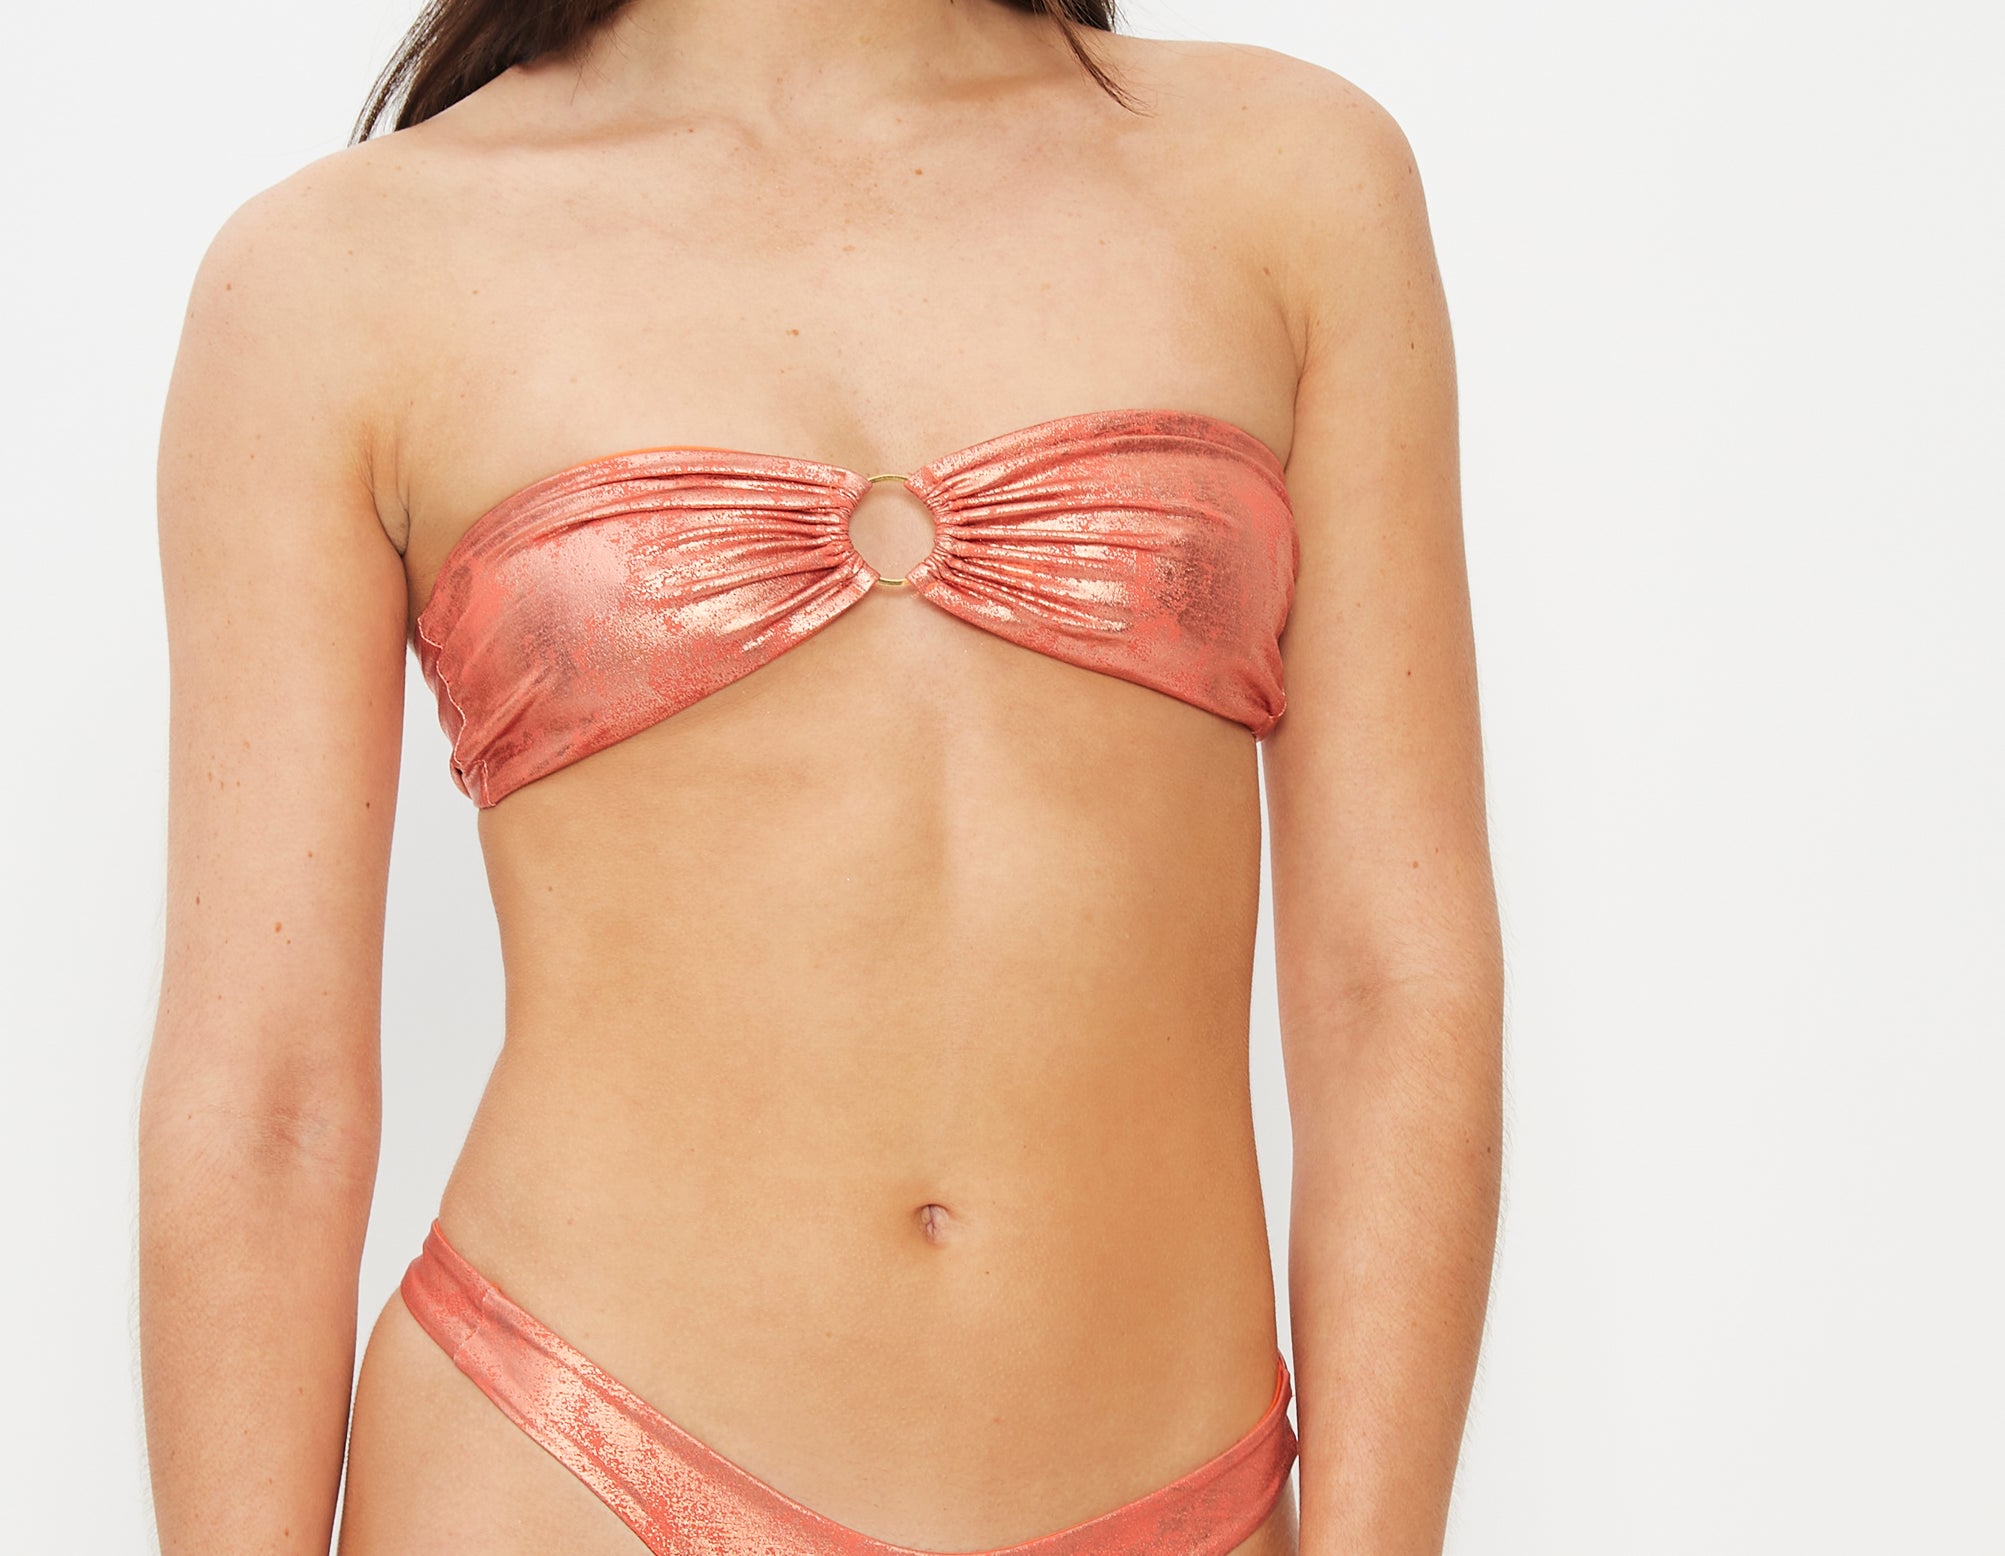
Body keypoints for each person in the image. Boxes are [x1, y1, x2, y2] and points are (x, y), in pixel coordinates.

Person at [138, 1, 1504, 1552]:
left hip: (1182, 1494)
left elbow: (1391, 982)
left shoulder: (1286, 177)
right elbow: (269, 1098)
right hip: (560, 1468)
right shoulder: (336, 273)